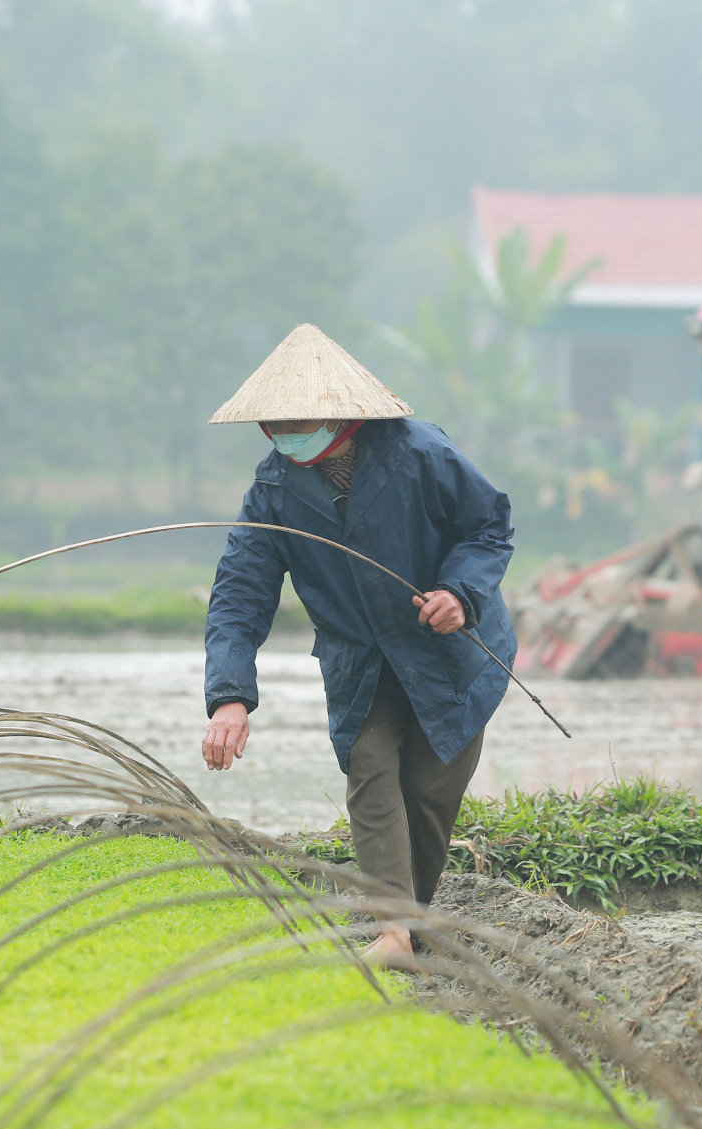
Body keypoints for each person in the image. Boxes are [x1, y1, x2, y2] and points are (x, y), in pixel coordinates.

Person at [199, 324, 515, 967]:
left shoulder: (421, 454)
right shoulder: (274, 492)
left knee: (429, 793)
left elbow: (489, 527)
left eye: (301, 420)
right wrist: (230, 697)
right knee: (370, 768)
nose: (288, 433)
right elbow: (239, 594)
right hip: (360, 661)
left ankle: (408, 925)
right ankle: (395, 934)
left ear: (343, 415)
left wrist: (459, 593)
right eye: (277, 423)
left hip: (449, 651)